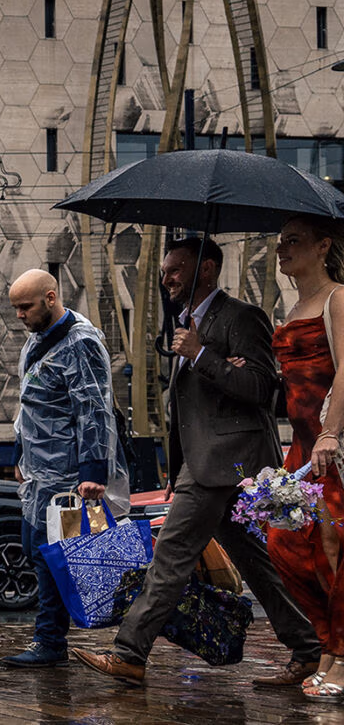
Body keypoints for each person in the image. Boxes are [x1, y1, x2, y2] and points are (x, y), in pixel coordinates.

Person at [73, 237, 321, 686]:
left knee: (171, 554)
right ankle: (308, 647)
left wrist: (203, 356)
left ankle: (130, 654)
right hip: (208, 463)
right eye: (166, 270)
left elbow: (264, 390)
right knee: (256, 564)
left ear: (205, 270)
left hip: (233, 462)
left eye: (176, 270)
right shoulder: (188, 323)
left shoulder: (242, 318)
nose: (166, 278)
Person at [1, 269, 129, 668]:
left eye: (26, 306)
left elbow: (93, 409)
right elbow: (29, 408)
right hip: (41, 472)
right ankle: (53, 636)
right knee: (37, 549)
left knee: (52, 554)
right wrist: (20, 459)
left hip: (69, 476)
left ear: (51, 298)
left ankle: (50, 640)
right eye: (15, 308)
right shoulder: (37, 342)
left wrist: (93, 471)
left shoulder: (80, 343)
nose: (19, 315)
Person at [266, 215, 344, 697]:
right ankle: (327, 645)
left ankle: (339, 657)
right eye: (279, 243)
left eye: (293, 241)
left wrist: (331, 433)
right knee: (284, 543)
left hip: (331, 445)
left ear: (323, 247)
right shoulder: (292, 309)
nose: (281, 250)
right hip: (300, 446)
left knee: (333, 549)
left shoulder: (339, 298)